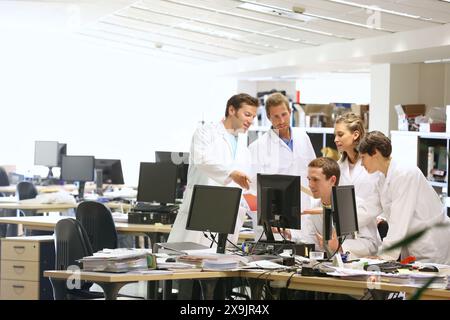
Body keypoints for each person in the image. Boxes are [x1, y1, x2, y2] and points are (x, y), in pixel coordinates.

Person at [168, 93, 258, 247]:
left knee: (222, 265)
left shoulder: (244, 147)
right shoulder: (206, 132)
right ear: (231, 110)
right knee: (188, 260)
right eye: (247, 114)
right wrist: (231, 173)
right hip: (201, 210)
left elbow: (245, 182)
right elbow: (202, 159)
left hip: (228, 215)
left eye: (253, 117)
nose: (250, 121)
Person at [359, 131, 450, 264]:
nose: (361, 164)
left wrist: (383, 256)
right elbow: (369, 208)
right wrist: (340, 223)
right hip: (415, 245)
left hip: (431, 245)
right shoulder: (382, 178)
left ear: (375, 153)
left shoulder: (404, 173)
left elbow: (398, 219)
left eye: (363, 157)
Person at [248, 92, 316, 242]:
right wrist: (268, 218)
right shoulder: (257, 147)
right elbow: (252, 189)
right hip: (276, 220)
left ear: (290, 112)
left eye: (284, 114)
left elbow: (314, 171)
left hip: (305, 212)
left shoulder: (302, 136)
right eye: (276, 117)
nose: (281, 120)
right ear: (268, 118)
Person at [304, 157, 381, 258]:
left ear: (332, 180)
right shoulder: (313, 206)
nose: (310, 185)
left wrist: (340, 246)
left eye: (315, 180)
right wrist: (291, 235)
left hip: (359, 267)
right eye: (309, 179)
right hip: (328, 265)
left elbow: (372, 245)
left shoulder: (357, 205)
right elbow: (311, 241)